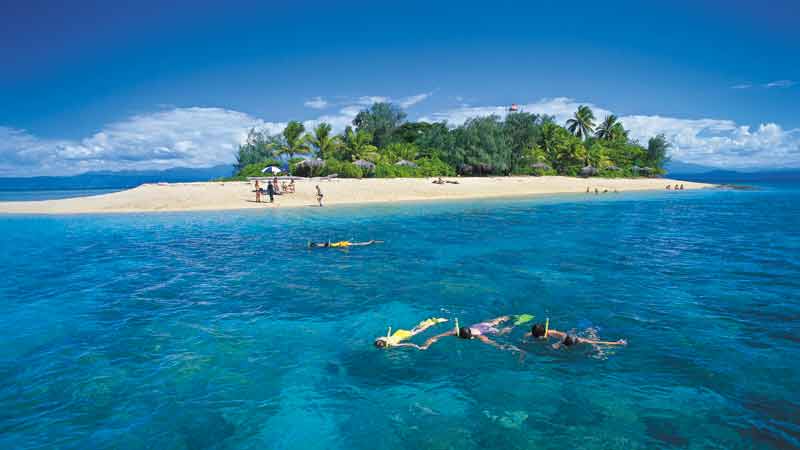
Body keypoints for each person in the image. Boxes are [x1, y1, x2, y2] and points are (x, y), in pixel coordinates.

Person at [418, 316, 524, 352]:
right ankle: (507, 317)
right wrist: (426, 345)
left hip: (484, 330)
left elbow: (488, 341)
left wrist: (500, 346)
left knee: (500, 333)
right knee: (494, 321)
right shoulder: (455, 331)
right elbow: (433, 338)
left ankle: (513, 325)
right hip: (481, 325)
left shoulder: (478, 336)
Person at [525, 319, 627, 348]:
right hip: (565, 341)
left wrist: (558, 344)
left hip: (570, 340)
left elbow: (564, 336)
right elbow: (532, 334)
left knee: (592, 342)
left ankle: (618, 343)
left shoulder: (552, 332)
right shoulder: (541, 334)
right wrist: (527, 335)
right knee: (590, 341)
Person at [374, 317, 448, 349]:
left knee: (420, 331)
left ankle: (433, 322)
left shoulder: (393, 344)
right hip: (398, 332)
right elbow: (378, 338)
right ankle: (422, 324)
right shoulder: (383, 338)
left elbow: (407, 344)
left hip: (404, 336)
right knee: (412, 330)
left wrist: (416, 346)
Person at [308, 240, 384, 248]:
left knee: (321, 245)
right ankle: (313, 245)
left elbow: (358, 244)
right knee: (321, 245)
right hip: (331, 245)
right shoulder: (346, 244)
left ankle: (313, 245)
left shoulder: (345, 244)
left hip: (331, 245)